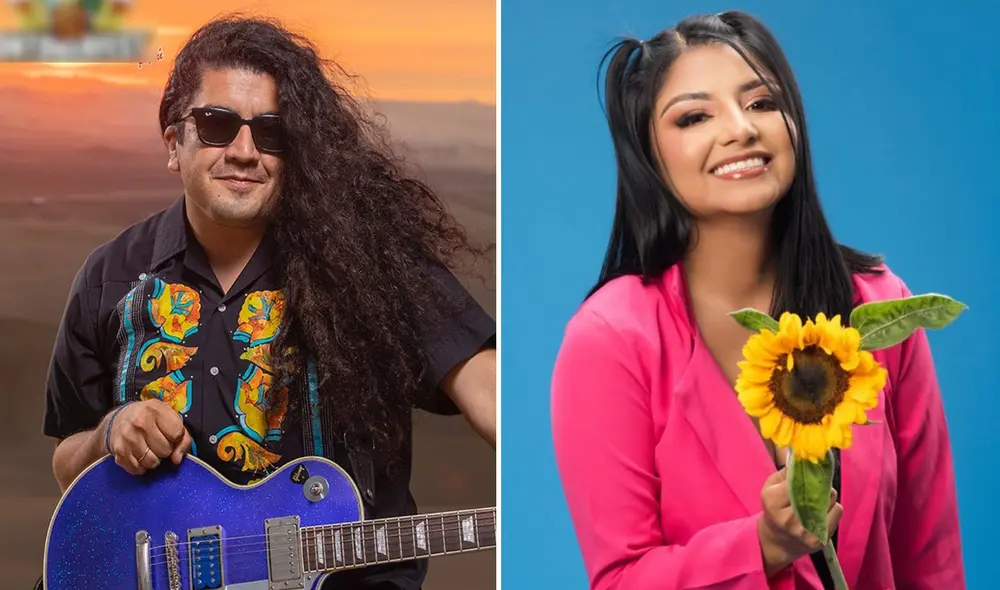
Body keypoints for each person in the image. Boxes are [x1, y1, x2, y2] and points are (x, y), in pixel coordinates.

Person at [41, 15, 495, 590]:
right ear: (173, 144)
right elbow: (68, 464)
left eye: (272, 132)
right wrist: (111, 433)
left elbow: (488, 385)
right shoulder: (108, 279)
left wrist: (588, 465)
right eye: (216, 124)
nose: (245, 151)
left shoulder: (369, 264)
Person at [550, 10, 963, 590]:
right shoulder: (612, 337)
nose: (741, 129)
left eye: (763, 103)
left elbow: (931, 556)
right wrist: (761, 545)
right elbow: (619, 578)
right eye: (694, 116)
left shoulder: (880, 309)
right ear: (648, 155)